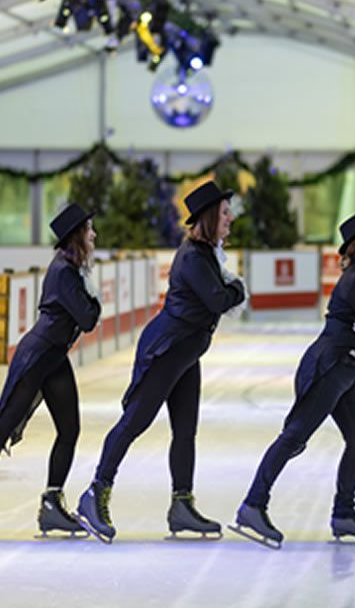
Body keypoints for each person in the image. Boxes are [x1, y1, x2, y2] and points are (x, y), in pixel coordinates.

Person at [76, 181, 246, 543]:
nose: (231, 218)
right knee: (135, 421)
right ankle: (94, 494)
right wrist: (239, 289)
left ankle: (182, 505)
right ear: (209, 217)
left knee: (186, 430)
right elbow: (219, 300)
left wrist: (232, 290)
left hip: (188, 351)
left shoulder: (208, 253)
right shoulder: (194, 257)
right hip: (167, 349)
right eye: (225, 212)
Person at [233, 211, 355, 548]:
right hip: (329, 368)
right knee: (294, 436)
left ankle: (344, 514)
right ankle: (253, 505)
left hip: (344, 370)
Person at [0, 204, 101, 542]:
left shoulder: (73, 268)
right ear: (76, 235)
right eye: (89, 229)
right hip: (37, 357)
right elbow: (89, 318)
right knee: (3, 426)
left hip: (54, 357)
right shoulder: (65, 271)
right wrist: (93, 300)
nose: (94, 235)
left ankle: (52, 502)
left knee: (70, 429)